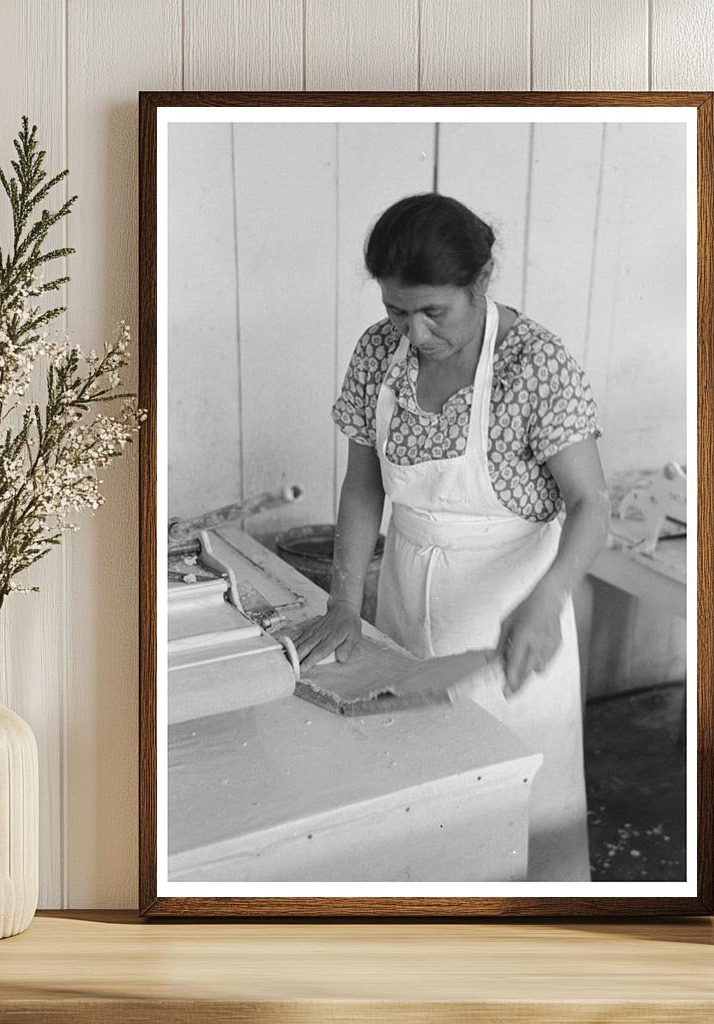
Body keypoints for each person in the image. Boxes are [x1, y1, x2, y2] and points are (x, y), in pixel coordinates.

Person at [292, 192, 610, 881]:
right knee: (416, 802)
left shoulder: (535, 365)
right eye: (396, 310)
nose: (415, 333)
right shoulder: (381, 353)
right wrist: (344, 601)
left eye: (435, 311)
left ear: (481, 280)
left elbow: (591, 503)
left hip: (513, 616)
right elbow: (364, 482)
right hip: (405, 600)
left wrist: (548, 599)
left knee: (518, 814)